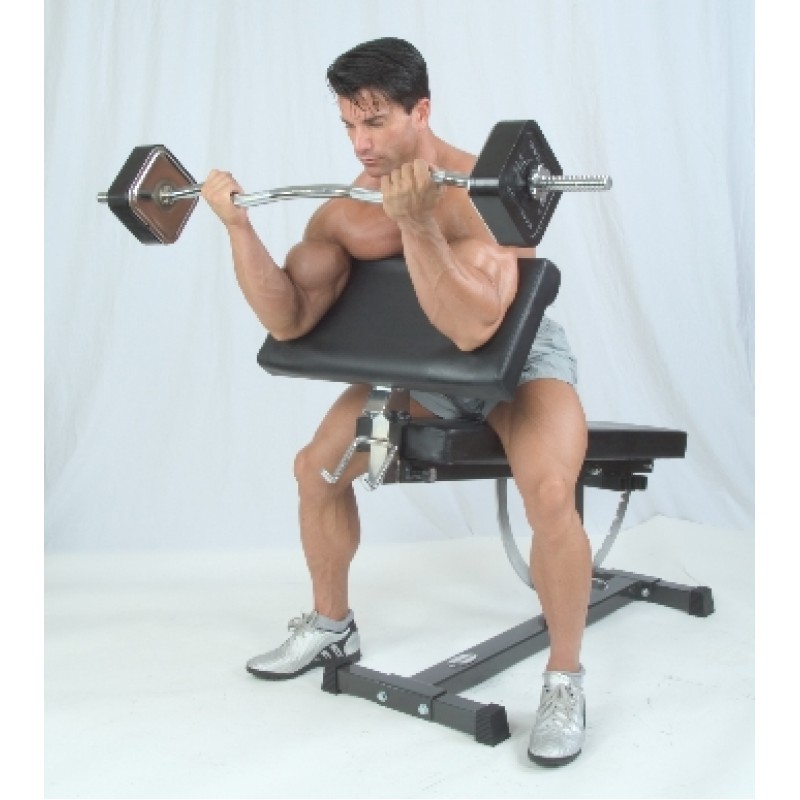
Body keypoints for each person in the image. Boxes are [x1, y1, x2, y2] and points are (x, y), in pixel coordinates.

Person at [201, 37, 592, 767]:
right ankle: (331, 624)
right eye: (350, 124)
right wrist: (238, 227)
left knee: (548, 491)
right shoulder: (348, 213)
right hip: (422, 370)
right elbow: (289, 318)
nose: (361, 143)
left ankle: (564, 679)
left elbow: (476, 329)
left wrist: (416, 222)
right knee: (316, 469)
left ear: (422, 111)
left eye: (376, 122)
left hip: (518, 365)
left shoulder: (483, 196)